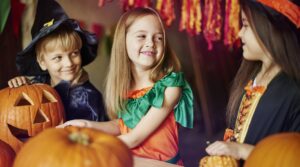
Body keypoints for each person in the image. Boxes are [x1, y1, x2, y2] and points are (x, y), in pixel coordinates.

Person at [57, 7, 194, 165]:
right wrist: (87, 125)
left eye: (159, 38)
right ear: (123, 41)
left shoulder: (170, 87)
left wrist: (91, 145)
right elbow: (123, 125)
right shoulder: (126, 88)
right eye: (142, 36)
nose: (151, 43)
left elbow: (134, 138)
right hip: (133, 160)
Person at [205, 0, 300, 161]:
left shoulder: (294, 92)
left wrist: (243, 151)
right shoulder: (250, 78)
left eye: (246, 25)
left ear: (270, 29)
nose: (240, 33)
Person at [8, 0, 108, 122]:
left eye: (74, 53)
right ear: (42, 62)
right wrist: (21, 86)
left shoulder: (88, 99)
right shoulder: (39, 84)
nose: (69, 63)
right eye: (58, 58)